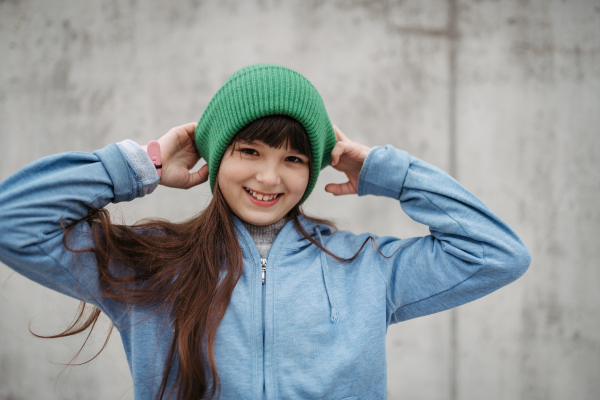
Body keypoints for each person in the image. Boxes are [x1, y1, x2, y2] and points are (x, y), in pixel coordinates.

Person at [0, 63, 531, 400]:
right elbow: (13, 222)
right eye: (249, 151)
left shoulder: (368, 267)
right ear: (216, 154)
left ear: (313, 169)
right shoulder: (150, 266)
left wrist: (385, 172)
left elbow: (497, 254)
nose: (269, 177)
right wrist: (144, 163)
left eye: (294, 158)